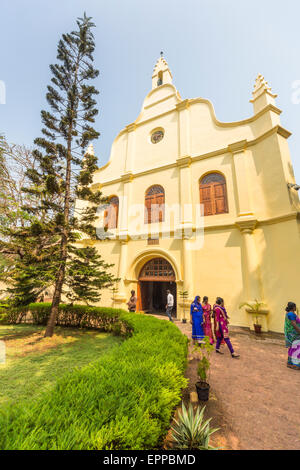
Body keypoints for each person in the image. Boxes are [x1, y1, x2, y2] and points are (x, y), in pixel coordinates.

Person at [284, 301, 300, 370]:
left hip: (293, 334)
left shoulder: (289, 313)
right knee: (297, 348)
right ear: (293, 307)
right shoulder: (291, 314)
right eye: (295, 306)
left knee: (293, 347)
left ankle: (290, 363)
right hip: (294, 334)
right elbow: (294, 324)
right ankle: (295, 364)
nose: (295, 308)